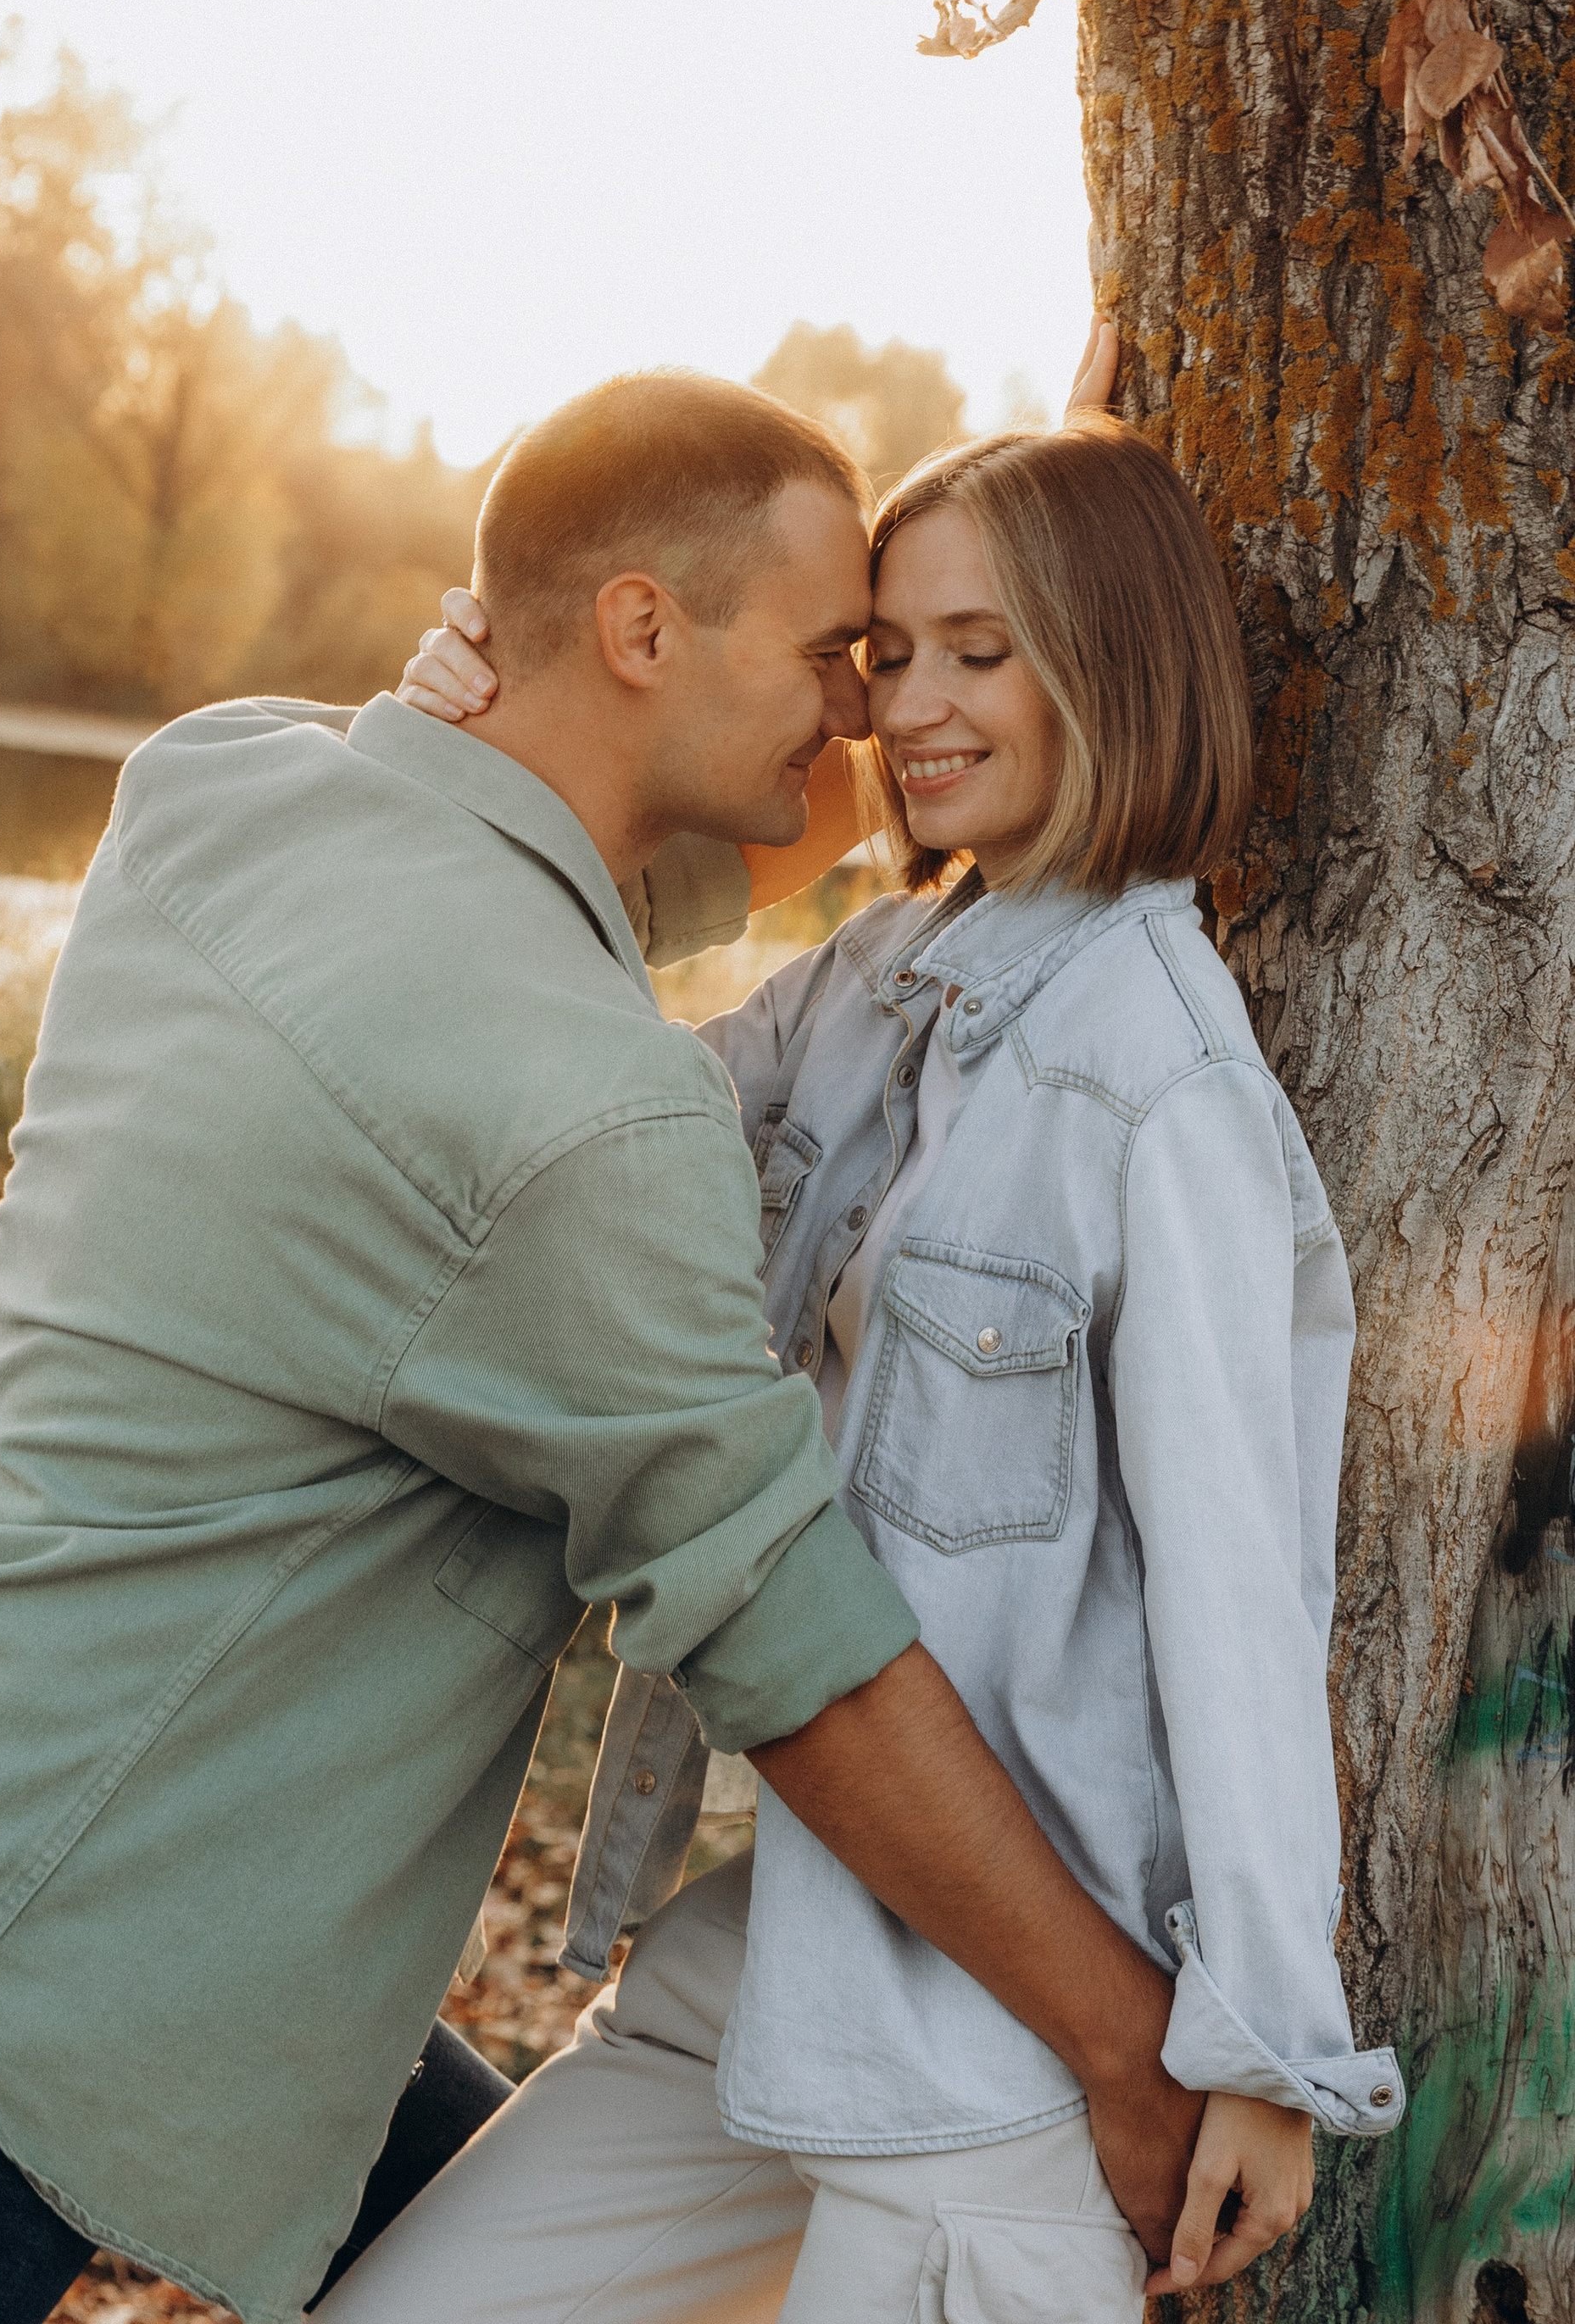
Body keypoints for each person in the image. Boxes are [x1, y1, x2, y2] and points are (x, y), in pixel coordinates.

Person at [0, 367, 1207, 2324]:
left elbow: (550, 855)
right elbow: (791, 1648)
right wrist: (1128, 2047)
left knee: (517, 2258)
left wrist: (553, 697)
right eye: (834, 656)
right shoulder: (578, 1107)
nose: (863, 715)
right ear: (640, 625)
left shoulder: (215, 786)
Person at [345, 413, 1404, 2324]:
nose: (906, 705)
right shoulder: (883, 979)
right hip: (770, 1960)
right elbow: (585, 1101)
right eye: (886, 653)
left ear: (1112, 662)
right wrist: (465, 764)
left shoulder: (1157, 1088)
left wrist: (1258, 2048)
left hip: (1007, 2065)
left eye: (975, 652)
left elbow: (1247, 1596)